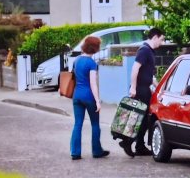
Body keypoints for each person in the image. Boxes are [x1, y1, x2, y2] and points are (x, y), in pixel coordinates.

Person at [120, 27, 165, 157]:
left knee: (143, 118)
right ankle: (128, 141)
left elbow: (148, 74)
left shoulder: (150, 51)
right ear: (155, 37)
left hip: (145, 88)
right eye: (161, 39)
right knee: (141, 118)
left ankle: (139, 145)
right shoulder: (144, 50)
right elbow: (135, 69)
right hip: (140, 89)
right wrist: (133, 87)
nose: (161, 43)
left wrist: (158, 87)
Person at [70, 36, 109, 160]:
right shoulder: (92, 63)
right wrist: (97, 101)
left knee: (78, 124)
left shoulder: (76, 60)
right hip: (88, 96)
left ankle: (75, 152)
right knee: (95, 124)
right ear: (95, 48)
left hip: (77, 96)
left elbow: (74, 77)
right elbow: (93, 83)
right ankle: (97, 151)